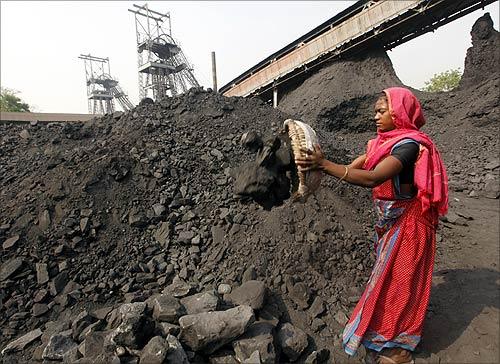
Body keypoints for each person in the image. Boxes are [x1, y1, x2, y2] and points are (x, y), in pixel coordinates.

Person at [296, 87, 448, 364]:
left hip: (411, 223)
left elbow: (372, 178)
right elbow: (352, 168)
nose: (375, 117)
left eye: (381, 111)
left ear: (399, 112)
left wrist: (325, 165)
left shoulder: (409, 145)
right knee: (390, 280)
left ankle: (399, 348)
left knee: (401, 282)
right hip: (393, 223)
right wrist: (320, 166)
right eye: (375, 112)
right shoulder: (380, 144)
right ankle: (386, 337)